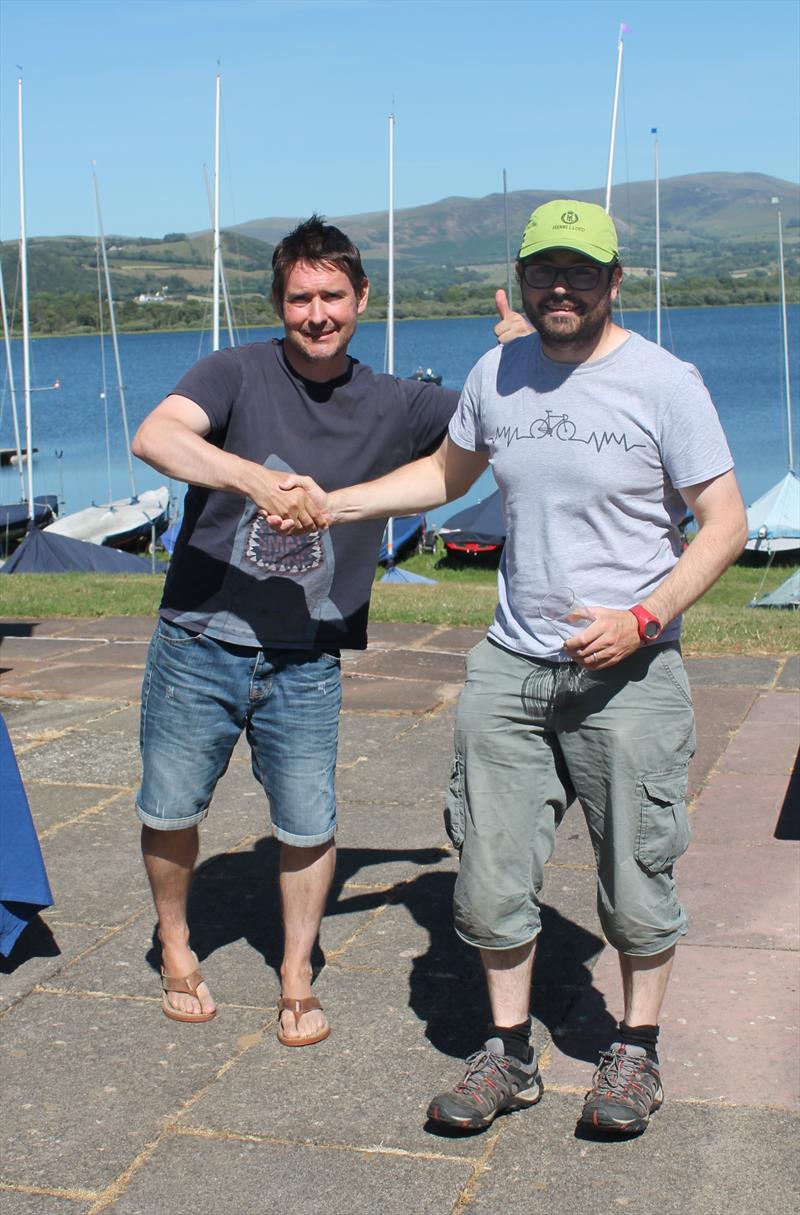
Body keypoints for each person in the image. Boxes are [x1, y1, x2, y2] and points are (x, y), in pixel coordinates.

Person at [271, 200, 747, 1131]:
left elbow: (725, 524)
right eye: (543, 271)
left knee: (638, 872)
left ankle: (634, 1053)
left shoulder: (666, 382)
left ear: (615, 280)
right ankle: (508, 1054)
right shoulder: (499, 370)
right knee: (487, 873)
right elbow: (449, 476)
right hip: (511, 666)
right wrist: (337, 500)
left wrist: (644, 617)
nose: (559, 287)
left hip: (630, 673)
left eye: (579, 271)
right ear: (523, 279)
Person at [130, 215, 462, 1043]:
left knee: (309, 822)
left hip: (307, 654)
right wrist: (251, 480)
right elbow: (155, 436)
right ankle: (175, 943)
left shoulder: (397, 401)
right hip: (198, 639)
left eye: (333, 296)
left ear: (362, 299)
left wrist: (521, 349)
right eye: (300, 297)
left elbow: (495, 427)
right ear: (279, 302)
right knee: (171, 805)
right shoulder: (233, 372)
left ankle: (296, 970)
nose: (318, 313)